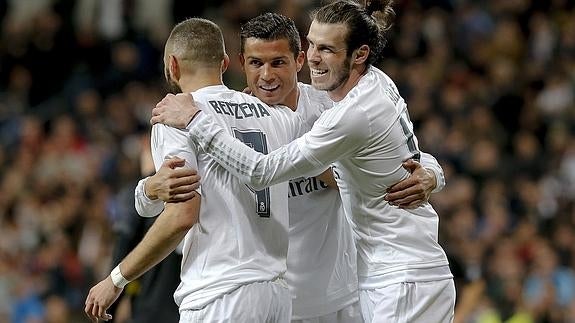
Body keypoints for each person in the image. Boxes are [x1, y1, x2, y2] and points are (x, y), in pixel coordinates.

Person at [150, 1, 456, 322]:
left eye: (278, 62)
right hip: (277, 296)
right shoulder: (234, 121)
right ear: (240, 63)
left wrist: (431, 175)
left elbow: (404, 152)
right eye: (256, 63)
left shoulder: (333, 106)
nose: (267, 75)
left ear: (297, 61)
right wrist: (149, 188)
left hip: (343, 292)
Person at [85, 17, 305, 322]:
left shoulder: (175, 113)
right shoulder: (276, 115)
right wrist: (148, 190)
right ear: (226, 63)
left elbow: (181, 215)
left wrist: (116, 280)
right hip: (278, 295)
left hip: (219, 293)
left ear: (172, 66)